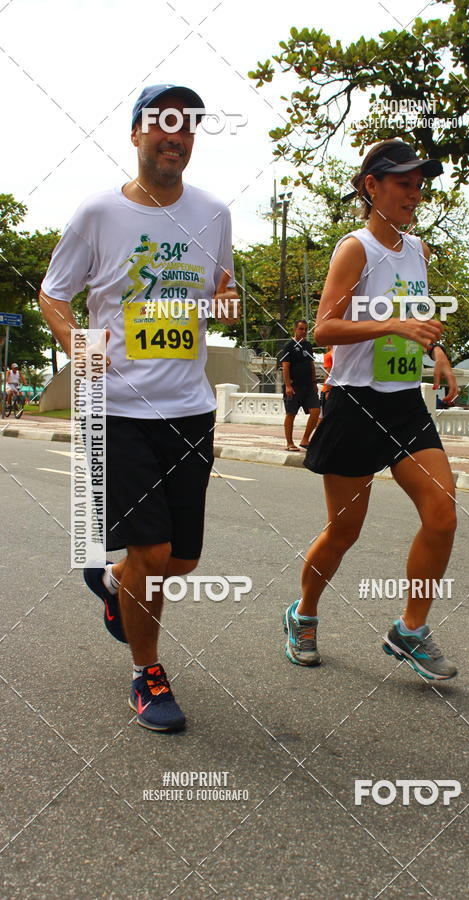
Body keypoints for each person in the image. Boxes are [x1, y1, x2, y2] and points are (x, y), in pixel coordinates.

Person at [40, 84, 238, 732]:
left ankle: (116, 584)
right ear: (135, 134)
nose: (174, 135)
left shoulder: (213, 213)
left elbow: (221, 286)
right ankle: (147, 673)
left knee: (181, 560)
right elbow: (54, 293)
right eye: (162, 122)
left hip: (189, 409)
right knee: (152, 553)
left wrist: (223, 300)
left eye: (186, 125)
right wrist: (79, 347)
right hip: (117, 407)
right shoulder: (97, 214)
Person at [283, 139, 460, 681]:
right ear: (372, 186)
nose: (415, 192)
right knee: (344, 531)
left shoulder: (417, 250)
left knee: (443, 513)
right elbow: (323, 329)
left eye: (418, 182)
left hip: (405, 402)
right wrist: (393, 326)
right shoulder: (355, 248)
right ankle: (303, 614)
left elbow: (417, 317)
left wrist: (437, 351)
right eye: (404, 182)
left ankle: (408, 632)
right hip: (357, 403)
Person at [280, 319, 320, 451]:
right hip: (294, 386)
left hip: (308, 386)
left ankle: (305, 439)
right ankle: (289, 443)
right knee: (291, 413)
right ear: (295, 329)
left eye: (305, 329)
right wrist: (288, 386)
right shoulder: (289, 346)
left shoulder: (308, 345)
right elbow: (285, 367)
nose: (303, 332)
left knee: (316, 411)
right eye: (301, 329)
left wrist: (314, 382)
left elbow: (311, 365)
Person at [319, 345, 333, 416]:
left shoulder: (328, 355)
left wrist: (327, 391)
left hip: (328, 389)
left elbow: (328, 374)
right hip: (337, 388)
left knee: (323, 416)